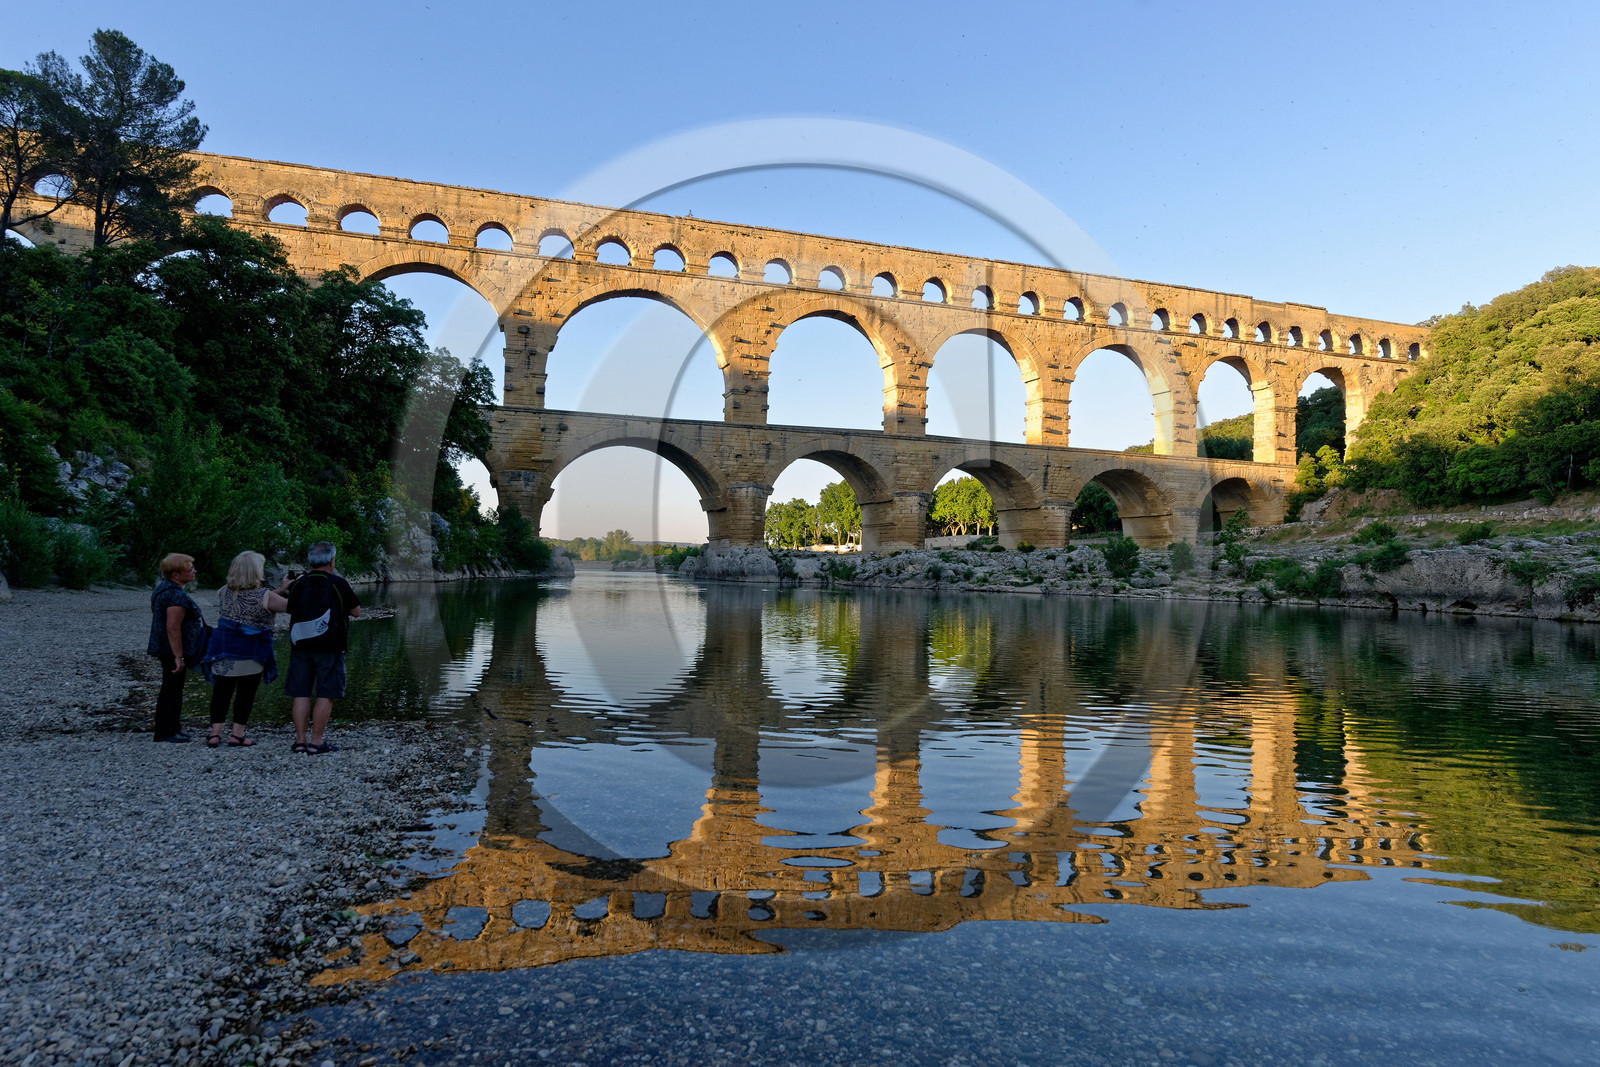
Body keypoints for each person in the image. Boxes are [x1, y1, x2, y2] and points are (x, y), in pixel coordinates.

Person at [198, 551, 289, 748]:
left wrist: (281, 589)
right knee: (245, 692)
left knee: (221, 691)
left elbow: (248, 600)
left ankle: (215, 734)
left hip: (223, 649)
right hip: (251, 652)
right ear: (256, 571)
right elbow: (291, 607)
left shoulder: (223, 591)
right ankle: (237, 735)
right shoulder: (264, 595)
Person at [284, 541, 361, 754]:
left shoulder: (299, 584)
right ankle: (316, 742)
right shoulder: (338, 583)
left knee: (300, 693)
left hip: (300, 646)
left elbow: (290, 608)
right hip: (331, 647)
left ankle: (300, 742)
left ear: (310, 561)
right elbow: (356, 612)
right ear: (332, 561)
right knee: (325, 694)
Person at [147, 553, 207, 743]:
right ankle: (164, 732)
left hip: (166, 648)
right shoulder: (175, 595)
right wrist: (178, 657)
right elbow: (173, 628)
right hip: (171, 650)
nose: (194, 572)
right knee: (171, 688)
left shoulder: (164, 589)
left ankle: (173, 727)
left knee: (175, 687)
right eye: (190, 570)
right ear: (175, 575)